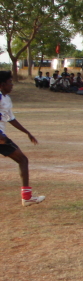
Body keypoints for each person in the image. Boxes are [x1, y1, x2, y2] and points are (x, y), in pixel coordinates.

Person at [0, 71, 45, 207]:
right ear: (2, 84)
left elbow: (11, 119)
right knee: (23, 160)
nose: (12, 85)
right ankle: (26, 197)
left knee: (23, 160)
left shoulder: (6, 98)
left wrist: (27, 132)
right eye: (10, 82)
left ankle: (27, 197)